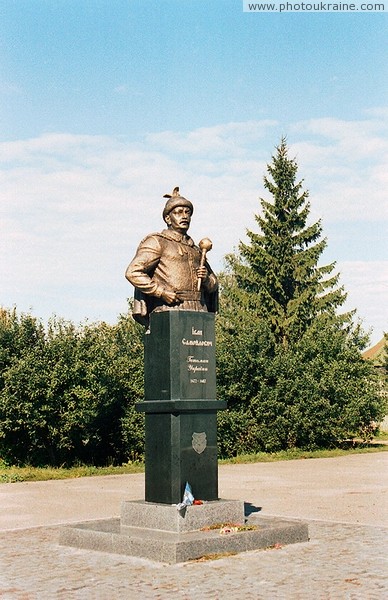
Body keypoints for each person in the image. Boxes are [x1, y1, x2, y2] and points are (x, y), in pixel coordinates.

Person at [125, 187, 218, 327]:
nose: (184, 216)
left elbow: (214, 283)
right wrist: (161, 292)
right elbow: (133, 272)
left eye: (187, 212)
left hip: (199, 309)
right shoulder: (158, 241)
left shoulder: (196, 250)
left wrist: (206, 279)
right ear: (168, 218)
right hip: (169, 308)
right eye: (178, 212)